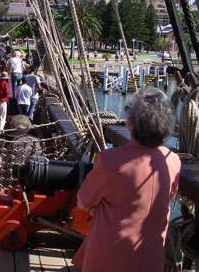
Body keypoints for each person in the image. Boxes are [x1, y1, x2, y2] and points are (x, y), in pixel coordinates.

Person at [73, 88, 181, 272]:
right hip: (150, 257)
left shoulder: (109, 161)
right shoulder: (173, 160)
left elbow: (83, 201)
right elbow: (168, 197)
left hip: (108, 258)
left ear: (131, 122)